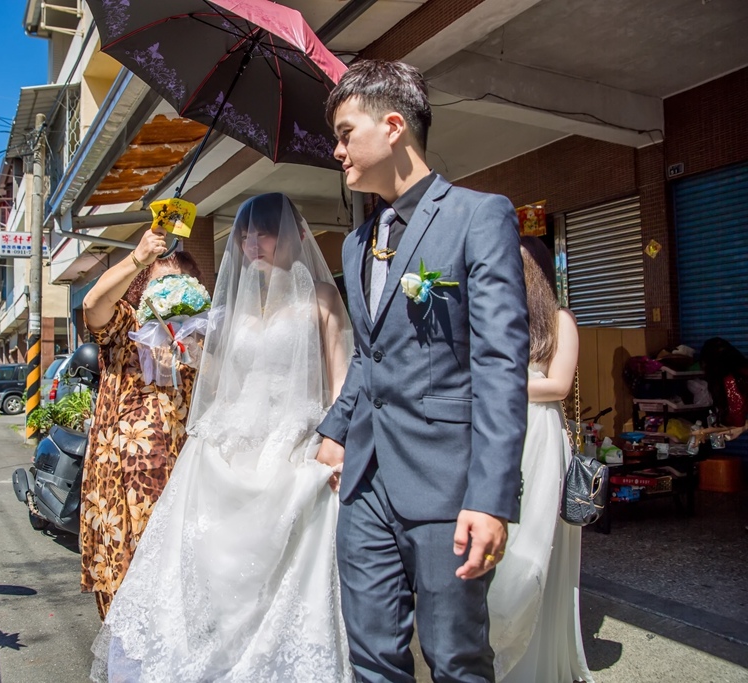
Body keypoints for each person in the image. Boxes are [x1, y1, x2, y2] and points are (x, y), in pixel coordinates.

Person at [316, 59, 530, 682]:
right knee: (372, 658)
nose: (337, 151)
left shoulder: (477, 216)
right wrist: (335, 428)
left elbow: (498, 363)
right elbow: (369, 352)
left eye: (345, 133)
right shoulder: (356, 243)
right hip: (365, 486)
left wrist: (491, 499)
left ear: (393, 126)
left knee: (456, 659)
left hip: (447, 487)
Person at [90, 193, 355, 682]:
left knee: (287, 583)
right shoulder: (233, 306)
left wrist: (336, 441)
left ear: (294, 236)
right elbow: (219, 377)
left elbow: (341, 380)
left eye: (265, 232)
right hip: (231, 446)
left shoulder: (321, 297)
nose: (253, 243)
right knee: (212, 572)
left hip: (294, 449)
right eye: (245, 234)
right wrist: (185, 345)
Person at [80, 227, 205, 619]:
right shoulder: (126, 325)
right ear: (142, 287)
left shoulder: (202, 335)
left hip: (186, 468)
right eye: (161, 280)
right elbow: (93, 304)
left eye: (182, 281)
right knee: (128, 571)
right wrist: (137, 258)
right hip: (125, 472)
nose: (172, 290)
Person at [487, 236, 593, 682]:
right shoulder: (494, 318)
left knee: (535, 541)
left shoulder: (560, 320)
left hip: (541, 435)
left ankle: (535, 661)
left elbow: (558, 385)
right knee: (502, 542)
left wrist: (495, 387)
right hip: (498, 431)